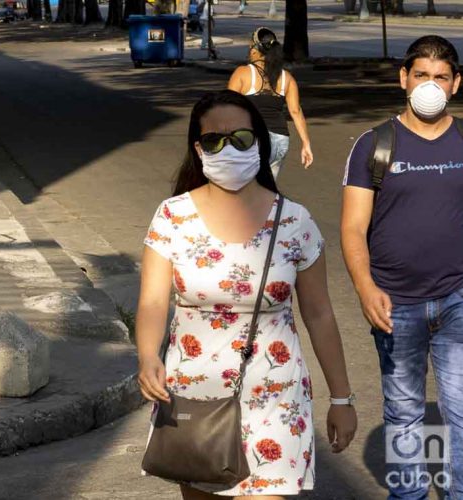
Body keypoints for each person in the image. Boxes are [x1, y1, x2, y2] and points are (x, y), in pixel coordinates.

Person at [137, 90, 356, 499]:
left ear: (260, 141)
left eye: (241, 137)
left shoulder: (295, 221)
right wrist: (148, 356)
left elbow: (320, 314)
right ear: (198, 148)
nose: (229, 148)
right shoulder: (172, 217)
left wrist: (341, 398)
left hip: (276, 397)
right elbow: (152, 301)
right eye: (215, 140)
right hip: (195, 398)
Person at [342, 35, 463, 499]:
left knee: (460, 410)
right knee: (405, 411)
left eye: (440, 77)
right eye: (421, 75)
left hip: (457, 300)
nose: (430, 85)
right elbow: (353, 228)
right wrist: (364, 287)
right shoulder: (374, 144)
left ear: (455, 84)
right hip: (396, 304)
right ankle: (409, 495)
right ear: (403, 79)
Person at [228, 27, 313, 179]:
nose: (249, 51)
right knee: (267, 191)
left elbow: (227, 108)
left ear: (256, 50)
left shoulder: (242, 73)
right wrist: (306, 144)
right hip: (280, 141)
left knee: (244, 191)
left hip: (252, 140)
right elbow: (296, 112)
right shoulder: (287, 78)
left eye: (250, 47)